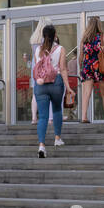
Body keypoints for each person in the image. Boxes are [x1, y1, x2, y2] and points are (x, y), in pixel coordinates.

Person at [32, 24, 74, 158]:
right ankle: (57, 138)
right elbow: (63, 69)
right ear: (55, 35)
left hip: (41, 85)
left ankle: (42, 146)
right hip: (56, 82)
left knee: (43, 116)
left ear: (43, 36)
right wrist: (68, 87)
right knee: (57, 110)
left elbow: (37, 68)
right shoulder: (60, 49)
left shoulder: (38, 49)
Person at [79, 16, 104, 123]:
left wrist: (80, 66)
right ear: (99, 25)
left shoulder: (84, 39)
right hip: (100, 66)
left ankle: (84, 116)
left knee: (86, 93)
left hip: (87, 67)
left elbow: (81, 55)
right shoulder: (102, 37)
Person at [28, 17, 53, 125]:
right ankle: (49, 118)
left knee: (35, 94)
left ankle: (34, 117)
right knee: (49, 93)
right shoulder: (46, 40)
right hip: (45, 68)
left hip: (35, 69)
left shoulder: (34, 39)